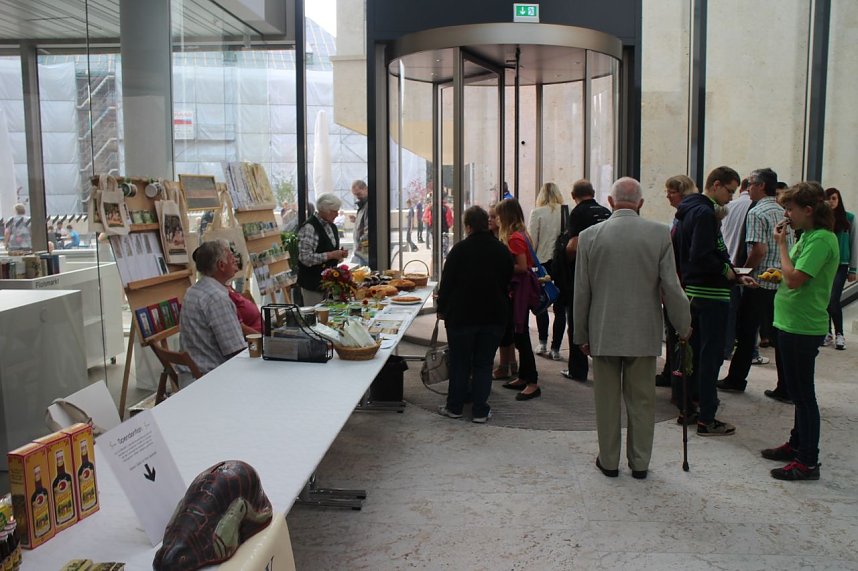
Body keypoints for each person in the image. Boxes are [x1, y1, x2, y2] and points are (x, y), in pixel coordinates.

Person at [574, 177, 691, 479]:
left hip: (603, 331)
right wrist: (683, 324)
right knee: (642, 401)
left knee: (607, 401)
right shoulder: (659, 233)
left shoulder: (589, 236)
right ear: (640, 203)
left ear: (610, 202)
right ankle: (640, 463)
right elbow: (671, 286)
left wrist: (581, 334)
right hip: (643, 333)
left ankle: (609, 461)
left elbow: (582, 291)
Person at [761, 182, 839, 481]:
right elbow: (790, 273)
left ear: (808, 210)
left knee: (804, 396)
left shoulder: (821, 239)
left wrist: (780, 245)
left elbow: (796, 280)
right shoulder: (808, 236)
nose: (787, 215)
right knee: (796, 391)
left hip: (803, 326)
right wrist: (775, 274)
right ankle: (796, 444)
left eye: (790, 209)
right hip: (790, 322)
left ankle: (808, 461)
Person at [673, 166, 755, 435]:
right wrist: (727, 272)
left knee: (693, 356)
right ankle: (707, 417)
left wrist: (733, 274)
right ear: (716, 185)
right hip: (711, 294)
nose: (731, 198)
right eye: (729, 191)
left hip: (695, 291)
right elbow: (702, 254)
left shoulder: (688, 210)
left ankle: (689, 408)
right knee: (711, 358)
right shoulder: (706, 213)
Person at [437, 206, 514, 423]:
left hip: (461, 316)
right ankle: (480, 410)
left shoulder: (459, 250)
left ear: (468, 226)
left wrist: (442, 309)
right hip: (493, 315)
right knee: (484, 363)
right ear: (487, 224)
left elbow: (447, 284)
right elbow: (507, 278)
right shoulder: (501, 250)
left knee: (460, 362)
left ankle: (455, 407)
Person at [718, 168, 785, 393]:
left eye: (752, 184)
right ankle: (785, 386)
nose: (748, 189)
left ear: (762, 186)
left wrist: (743, 271)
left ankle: (736, 380)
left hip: (758, 282)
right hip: (778, 282)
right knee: (778, 336)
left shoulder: (757, 212)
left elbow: (759, 249)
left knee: (746, 333)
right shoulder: (781, 210)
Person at [560, 179, 611, 382]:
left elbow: (573, 246)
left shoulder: (578, 213)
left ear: (574, 196)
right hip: (605, 275)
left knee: (578, 321)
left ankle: (577, 370)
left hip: (583, 275)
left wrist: (565, 257)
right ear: (594, 192)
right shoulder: (606, 212)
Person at [495, 198, 541, 400]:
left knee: (521, 334)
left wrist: (501, 266)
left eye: (497, 216)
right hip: (520, 288)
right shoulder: (521, 233)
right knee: (518, 334)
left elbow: (522, 267)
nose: (495, 219)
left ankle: (532, 381)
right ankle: (523, 377)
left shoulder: (515, 238)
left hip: (520, 289)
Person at [180, 240, 247, 375]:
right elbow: (235, 350)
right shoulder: (216, 298)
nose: (235, 259)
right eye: (231, 257)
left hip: (193, 372)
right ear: (221, 265)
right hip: (211, 376)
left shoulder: (193, 290)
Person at [657, 175, 698, 390]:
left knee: (677, 331)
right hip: (676, 281)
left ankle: (678, 375)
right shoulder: (680, 216)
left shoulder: (688, 217)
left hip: (681, 283)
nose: (667, 196)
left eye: (671, 192)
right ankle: (670, 371)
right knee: (671, 331)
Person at [527, 182, 566, 360]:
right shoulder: (567, 211)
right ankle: (556, 348)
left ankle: (542, 342)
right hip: (562, 263)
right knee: (560, 307)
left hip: (543, 263)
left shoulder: (537, 213)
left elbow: (532, 242)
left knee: (542, 303)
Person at [297, 193, 349, 306]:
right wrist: (331, 255)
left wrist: (339, 254)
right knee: (316, 317)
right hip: (312, 283)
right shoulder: (310, 228)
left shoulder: (332, 226)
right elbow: (305, 258)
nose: (337, 214)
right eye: (334, 211)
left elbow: (329, 250)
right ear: (325, 210)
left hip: (328, 283)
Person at [822, 187, 856, 350]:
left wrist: (853, 269)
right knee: (824, 298)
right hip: (823, 264)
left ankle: (840, 333)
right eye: (828, 198)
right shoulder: (821, 220)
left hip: (841, 264)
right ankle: (827, 332)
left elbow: (854, 244)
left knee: (833, 298)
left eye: (834, 198)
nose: (831, 201)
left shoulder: (849, 219)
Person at [490, 202, 519, 380]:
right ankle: (511, 364)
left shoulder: (510, 238)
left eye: (495, 216)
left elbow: (519, 265)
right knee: (509, 328)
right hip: (509, 288)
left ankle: (505, 365)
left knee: (506, 328)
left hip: (510, 289)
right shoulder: (503, 236)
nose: (491, 220)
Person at [350, 180, 369, 265]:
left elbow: (368, 230)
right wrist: (356, 220)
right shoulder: (363, 205)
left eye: (358, 194)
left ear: (366, 189)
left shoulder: (369, 206)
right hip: (362, 251)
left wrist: (360, 247)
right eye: (355, 195)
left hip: (365, 251)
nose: (357, 197)